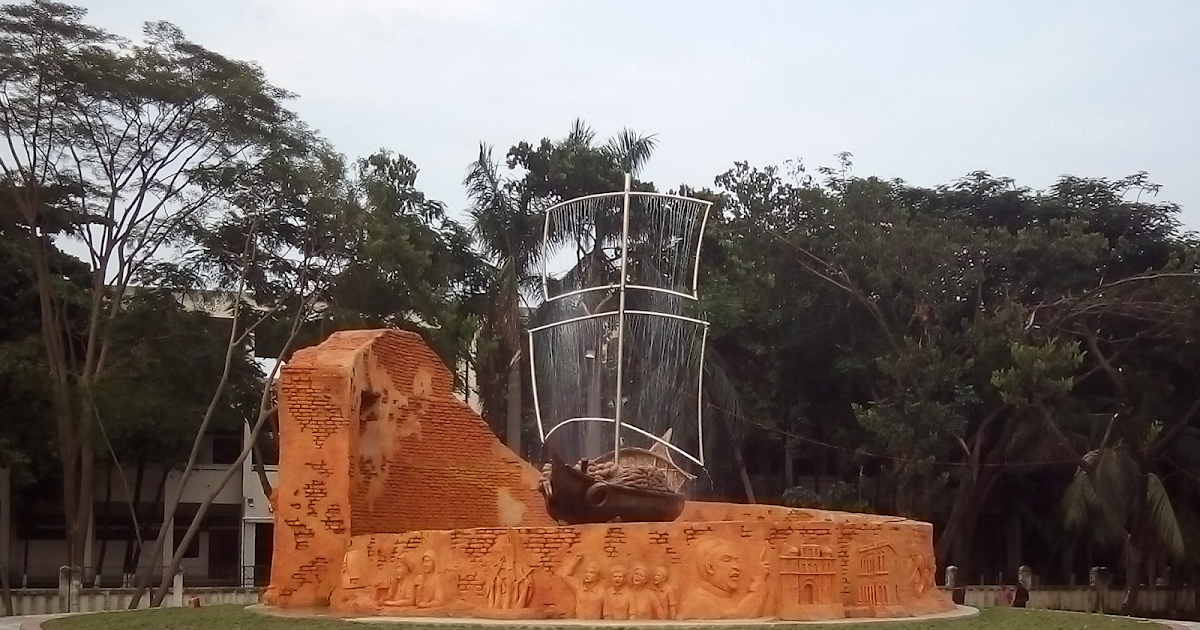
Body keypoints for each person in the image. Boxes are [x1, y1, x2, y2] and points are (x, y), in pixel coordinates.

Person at [679, 538, 769, 619]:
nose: (736, 566)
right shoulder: (699, 601)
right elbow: (738, 617)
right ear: (710, 568)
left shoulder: (726, 597)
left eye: (736, 560)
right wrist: (759, 582)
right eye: (726, 560)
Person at [559, 554, 605, 619]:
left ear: (597, 576)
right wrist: (575, 561)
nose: (587, 575)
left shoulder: (602, 592)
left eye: (591, 573)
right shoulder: (578, 588)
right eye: (586, 572)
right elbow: (565, 576)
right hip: (580, 623)